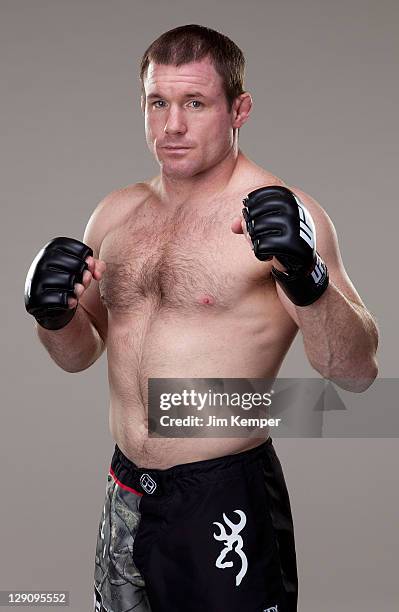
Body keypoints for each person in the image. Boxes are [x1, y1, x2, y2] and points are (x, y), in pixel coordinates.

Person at [24, 24, 378, 612]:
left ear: (239, 109)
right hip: (126, 491)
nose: (173, 126)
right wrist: (50, 315)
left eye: (195, 103)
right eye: (157, 103)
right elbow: (79, 355)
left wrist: (306, 276)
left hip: (222, 496)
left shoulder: (282, 211)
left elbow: (357, 371)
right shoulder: (117, 212)